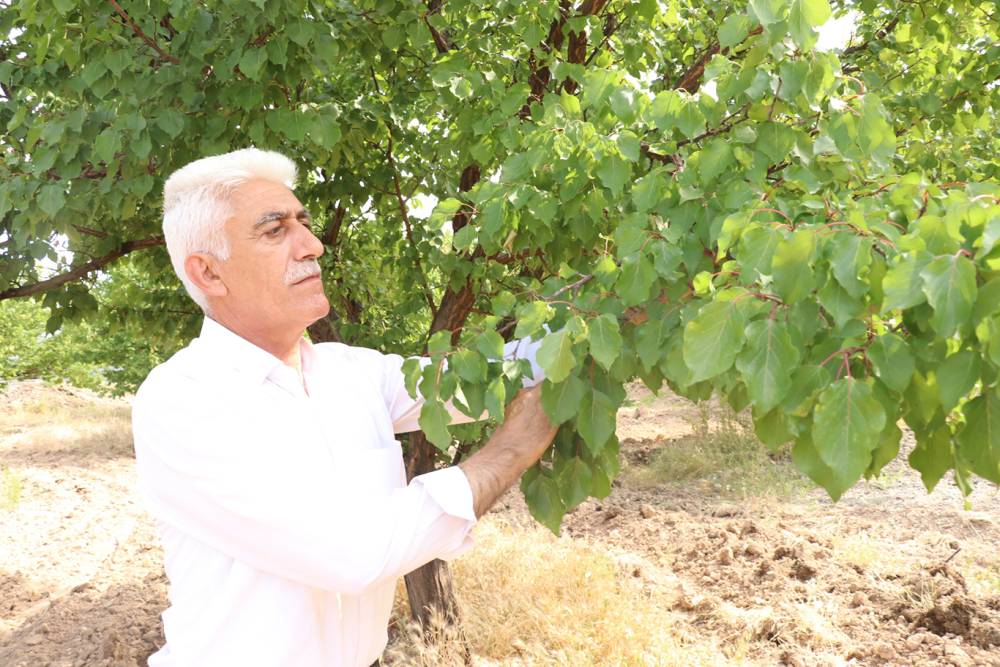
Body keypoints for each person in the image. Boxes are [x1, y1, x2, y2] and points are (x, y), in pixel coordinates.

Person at [131, 148, 558, 667]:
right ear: (209, 274)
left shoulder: (349, 370)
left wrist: (616, 320)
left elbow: (485, 377)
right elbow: (351, 553)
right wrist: (513, 448)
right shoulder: (184, 400)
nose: (313, 245)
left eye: (305, 223)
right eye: (275, 230)